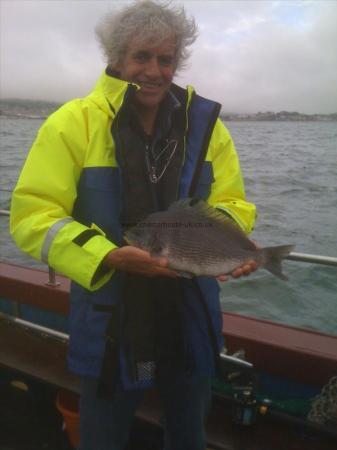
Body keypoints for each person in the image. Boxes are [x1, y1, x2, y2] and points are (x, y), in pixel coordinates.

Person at [10, 1, 257, 449]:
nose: (154, 70)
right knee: (103, 433)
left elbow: (232, 201)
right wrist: (105, 254)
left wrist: (230, 243)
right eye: (141, 57)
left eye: (165, 59)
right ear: (117, 57)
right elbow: (33, 215)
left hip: (191, 310)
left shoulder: (206, 126)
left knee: (189, 432)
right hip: (112, 314)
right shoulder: (73, 123)